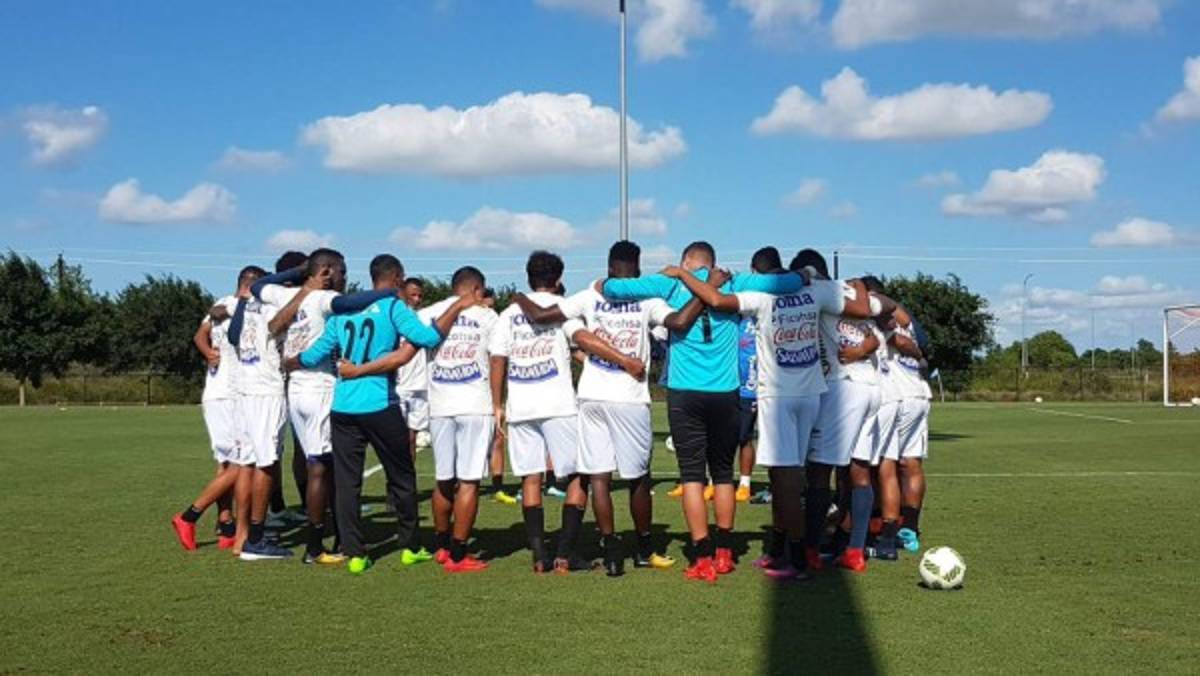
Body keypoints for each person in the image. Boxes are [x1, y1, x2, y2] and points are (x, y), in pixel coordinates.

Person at [665, 247, 888, 580]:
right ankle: (796, 548)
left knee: (784, 479)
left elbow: (715, 300)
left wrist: (684, 275)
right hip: (812, 394)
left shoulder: (763, 295)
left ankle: (796, 558)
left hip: (778, 396)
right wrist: (854, 284)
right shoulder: (818, 291)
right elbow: (865, 306)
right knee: (802, 474)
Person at [601, 241, 805, 583]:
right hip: (726, 393)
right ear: (713, 262)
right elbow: (787, 284)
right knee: (723, 474)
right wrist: (805, 272)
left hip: (685, 393)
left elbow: (615, 288)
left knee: (693, 476)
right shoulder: (735, 282)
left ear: (685, 261)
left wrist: (602, 284)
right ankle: (725, 551)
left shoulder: (669, 283)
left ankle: (703, 556)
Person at [294, 254, 474, 574]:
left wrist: (289, 360)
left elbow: (313, 355)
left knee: (347, 483)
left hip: (342, 407)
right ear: (398, 277)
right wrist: (457, 307)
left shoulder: (343, 311)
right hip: (379, 403)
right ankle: (410, 546)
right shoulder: (393, 307)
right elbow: (428, 338)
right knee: (402, 476)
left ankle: (356, 553)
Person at [513, 240, 678, 573]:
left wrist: (517, 296)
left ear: (608, 267)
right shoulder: (649, 298)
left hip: (590, 395)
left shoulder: (590, 295)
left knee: (599, 478)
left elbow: (542, 315)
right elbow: (675, 323)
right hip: (630, 398)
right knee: (638, 479)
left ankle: (612, 552)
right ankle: (644, 550)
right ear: (638, 267)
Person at [493, 251, 638, 575]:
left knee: (531, 478)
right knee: (578, 474)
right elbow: (580, 344)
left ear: (528, 276)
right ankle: (565, 553)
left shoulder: (508, 313)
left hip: (521, 404)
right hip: (558, 404)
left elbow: (498, 359)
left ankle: (538, 556)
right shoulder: (564, 309)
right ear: (557, 279)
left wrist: (497, 404)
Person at [252, 248, 398, 565]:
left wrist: (298, 273)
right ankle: (315, 547)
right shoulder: (321, 298)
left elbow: (257, 285)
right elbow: (350, 303)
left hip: (296, 391)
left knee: (320, 462)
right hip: (319, 387)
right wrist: (388, 291)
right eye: (342, 271)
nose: (345, 278)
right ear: (328, 271)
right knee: (320, 466)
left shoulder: (281, 295)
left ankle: (330, 530)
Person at [792, 250, 895, 574]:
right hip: (872, 388)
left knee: (820, 469)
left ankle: (809, 549)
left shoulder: (818, 292)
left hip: (843, 386)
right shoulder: (850, 291)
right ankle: (855, 550)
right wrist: (862, 288)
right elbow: (890, 309)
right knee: (859, 468)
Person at [171, 265, 263, 552]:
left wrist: (207, 350)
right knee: (244, 462)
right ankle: (189, 516)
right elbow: (202, 334)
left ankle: (226, 524)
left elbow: (200, 334)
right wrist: (209, 353)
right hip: (228, 394)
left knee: (227, 462)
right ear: (251, 285)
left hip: (222, 393)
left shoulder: (222, 305)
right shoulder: (238, 306)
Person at [423, 267, 498, 572]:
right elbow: (496, 360)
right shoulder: (488, 317)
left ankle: (441, 546)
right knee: (468, 480)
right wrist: (498, 402)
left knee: (443, 478)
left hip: (439, 404)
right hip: (474, 404)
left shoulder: (429, 311)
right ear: (477, 289)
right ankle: (458, 553)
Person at [395, 277, 431, 461]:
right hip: (399, 387)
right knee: (398, 438)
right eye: (413, 295)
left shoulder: (424, 319)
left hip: (421, 386)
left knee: (412, 438)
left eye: (420, 296)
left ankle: (408, 481)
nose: (417, 299)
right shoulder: (396, 320)